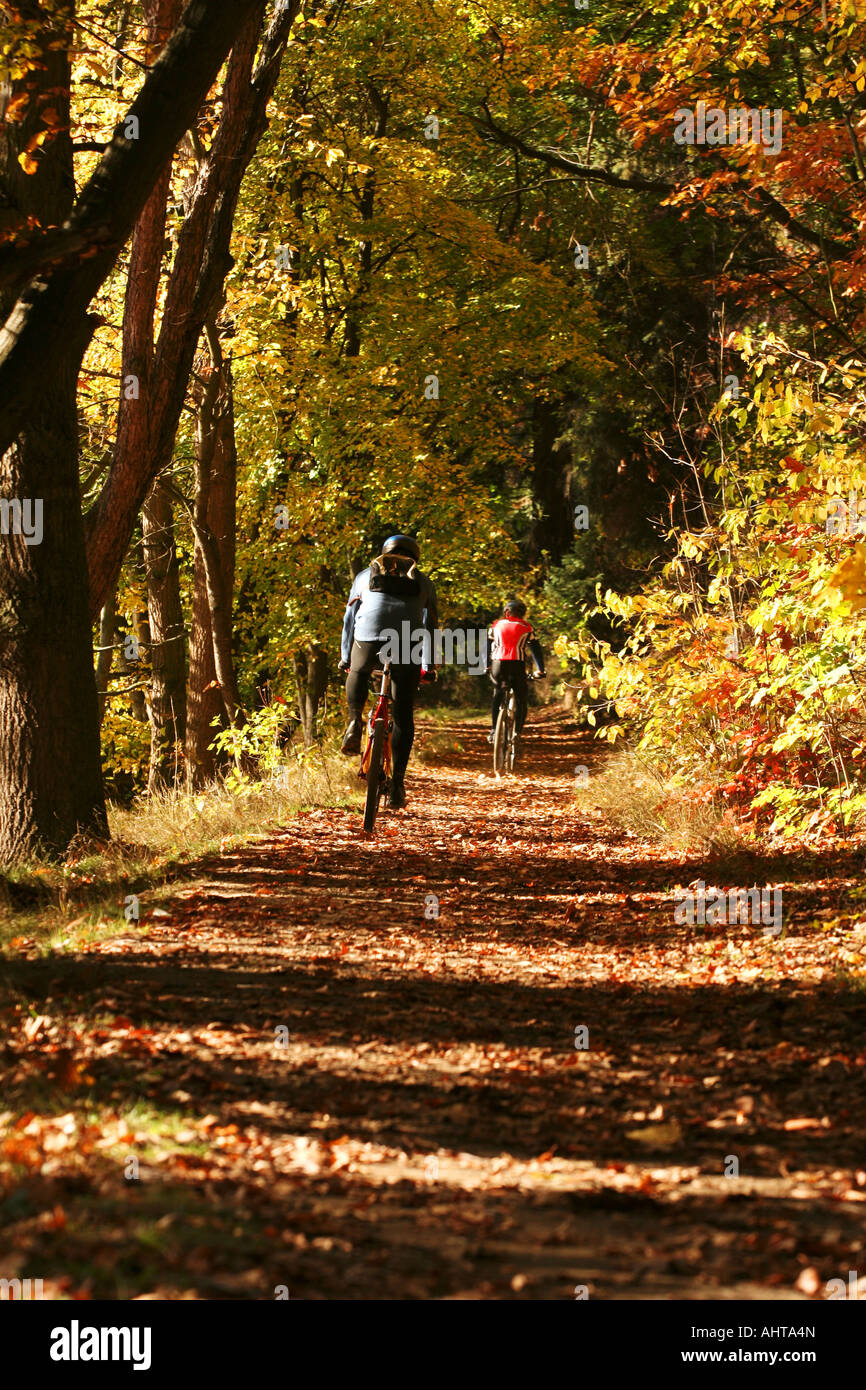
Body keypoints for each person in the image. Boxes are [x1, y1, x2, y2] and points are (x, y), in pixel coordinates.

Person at [339, 534, 438, 809]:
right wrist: (429, 665)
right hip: (407, 642)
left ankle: (354, 722)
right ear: (415, 558)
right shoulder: (424, 581)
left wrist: (347, 657)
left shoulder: (363, 576)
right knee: (403, 712)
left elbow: (350, 618)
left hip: (368, 638)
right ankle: (398, 785)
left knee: (357, 670)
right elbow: (430, 626)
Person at [487, 599, 545, 743]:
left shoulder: (496, 625)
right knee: (521, 700)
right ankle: (517, 733)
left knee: (498, 694)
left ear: (507, 613)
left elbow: (486, 646)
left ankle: (494, 730)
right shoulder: (526, 627)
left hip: (497, 664)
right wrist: (541, 670)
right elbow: (535, 649)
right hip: (517, 665)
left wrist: (486, 665)